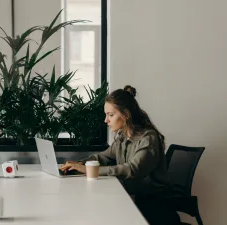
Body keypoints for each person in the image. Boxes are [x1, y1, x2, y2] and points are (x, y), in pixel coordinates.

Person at [60, 85, 180, 225]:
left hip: (154, 205)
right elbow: (103, 157)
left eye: (110, 115)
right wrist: (77, 164)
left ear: (126, 115)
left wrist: (88, 170)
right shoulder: (123, 136)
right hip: (134, 197)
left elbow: (133, 169)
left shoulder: (148, 138)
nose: (106, 120)